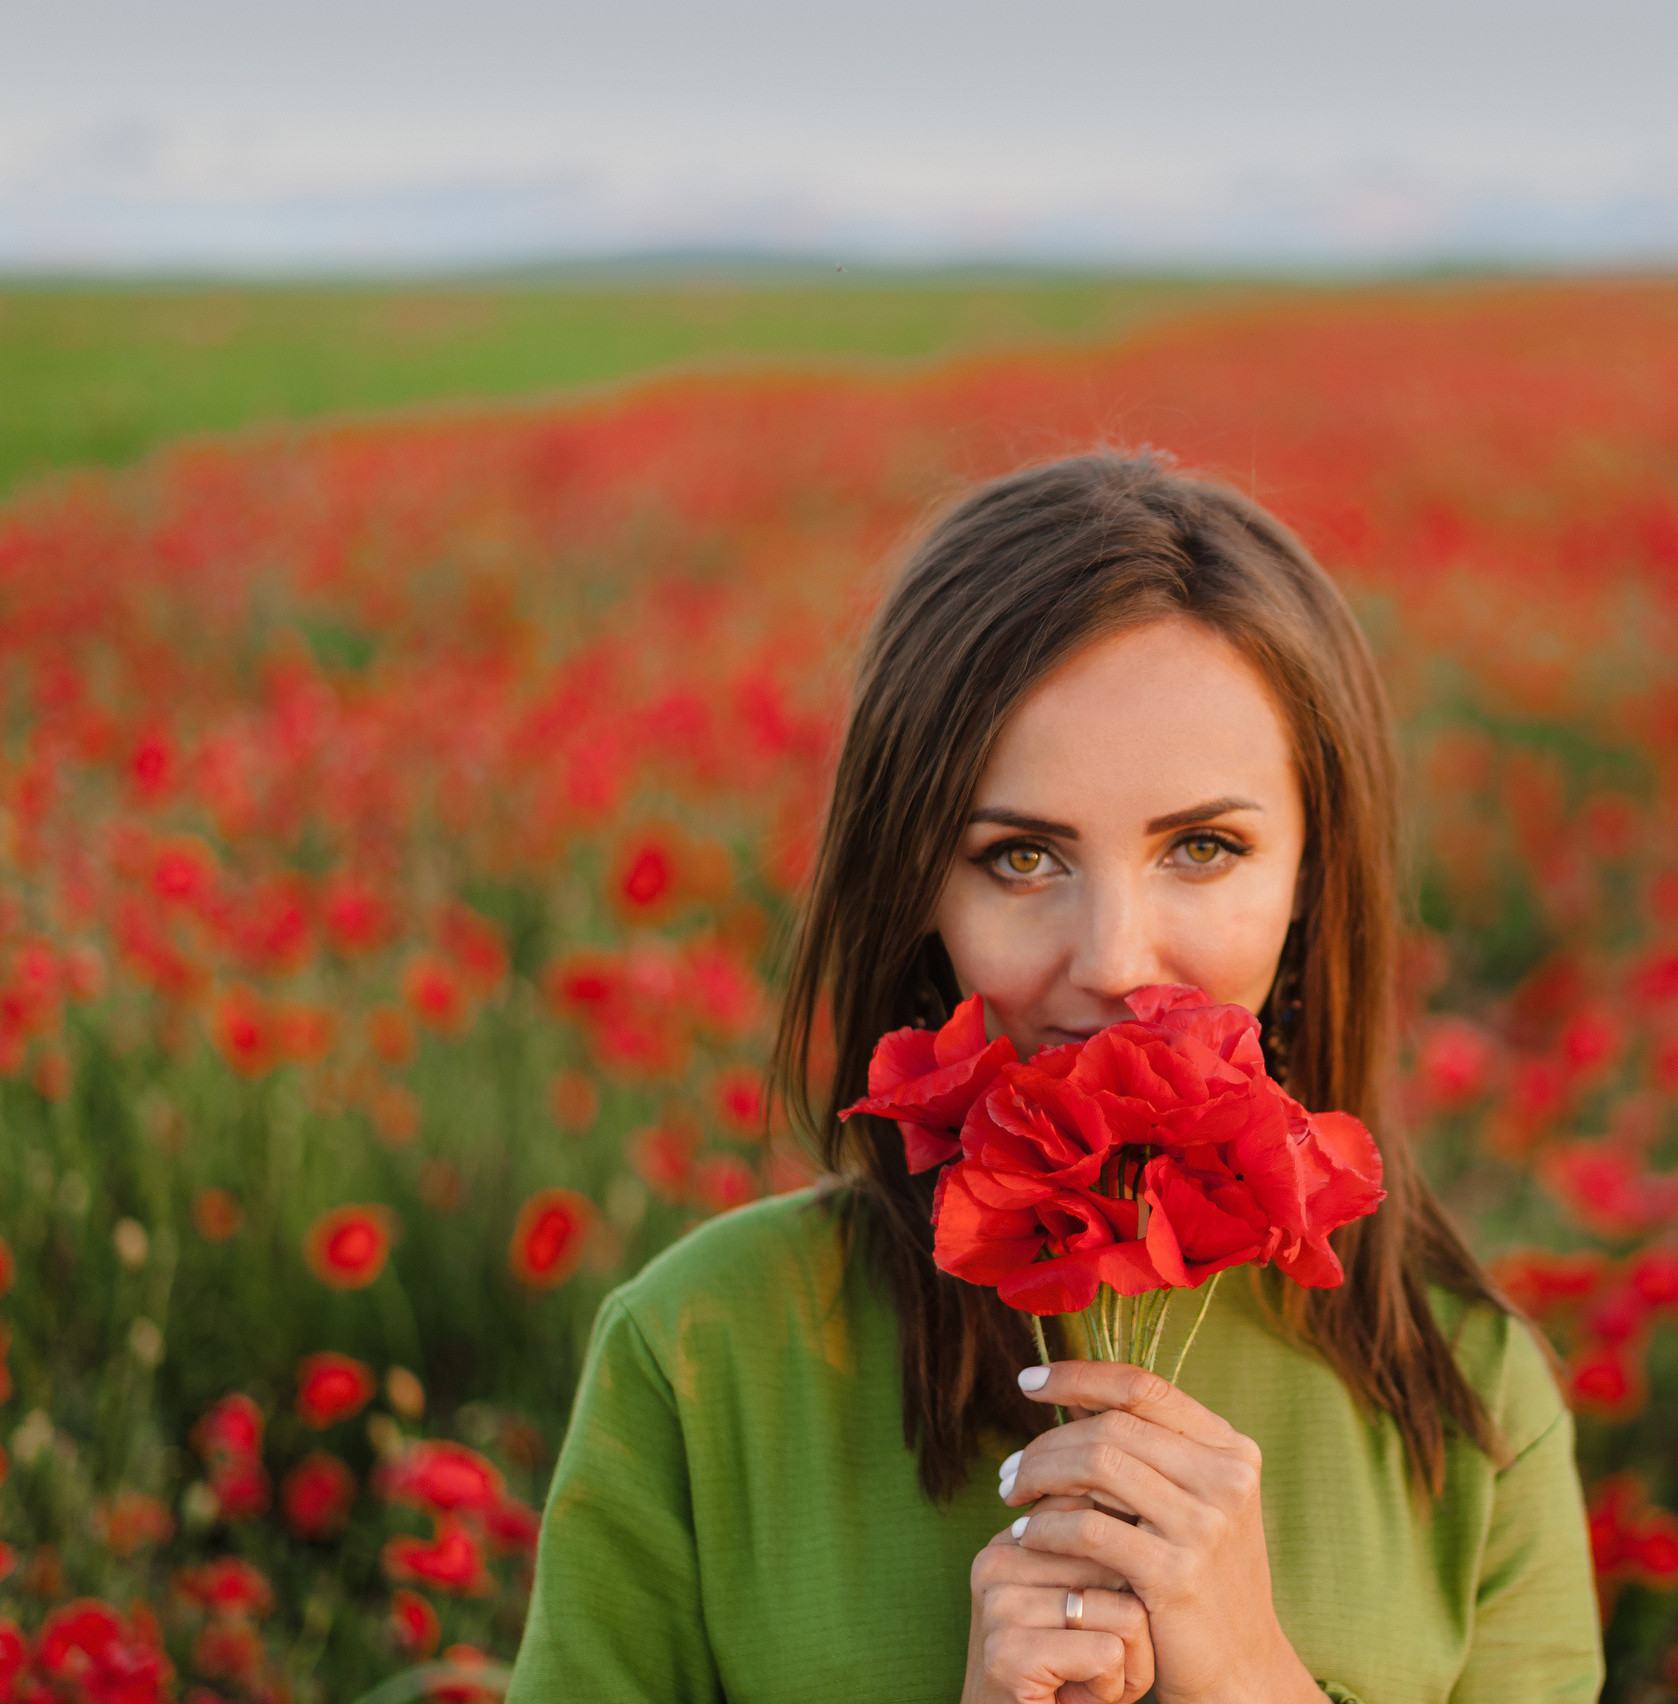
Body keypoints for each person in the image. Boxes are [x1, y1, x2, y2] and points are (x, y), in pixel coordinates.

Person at [507, 454, 1603, 1703]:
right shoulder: (698, 1349)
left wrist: (1258, 1682)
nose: (1114, 962)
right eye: (1021, 858)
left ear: (1311, 879)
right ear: (917, 889)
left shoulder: (1469, 1393)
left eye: (1202, 847)